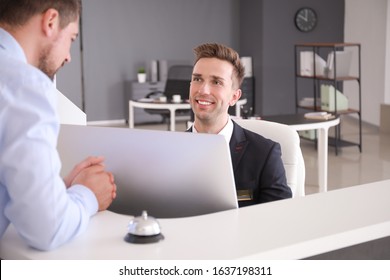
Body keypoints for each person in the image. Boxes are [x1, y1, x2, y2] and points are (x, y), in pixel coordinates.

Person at [0, 0, 116, 251]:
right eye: (71, 38)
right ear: (51, 21)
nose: (68, 56)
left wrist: (58, 190)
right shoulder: (24, 83)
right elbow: (46, 229)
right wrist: (87, 195)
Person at [188, 43, 292, 207]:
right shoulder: (170, 150)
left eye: (216, 82)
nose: (203, 90)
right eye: (197, 79)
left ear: (234, 97)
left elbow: (279, 219)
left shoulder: (265, 154)